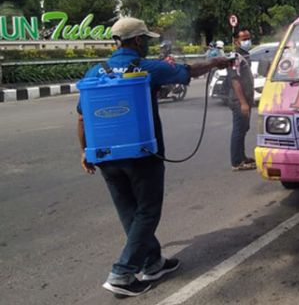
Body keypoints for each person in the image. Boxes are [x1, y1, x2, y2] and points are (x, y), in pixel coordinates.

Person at [76, 17, 230, 297]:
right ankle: (122, 273)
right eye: (146, 39)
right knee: (147, 211)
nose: (148, 43)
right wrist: (217, 63)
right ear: (136, 41)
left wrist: (85, 151)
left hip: (106, 156)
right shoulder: (147, 68)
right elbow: (188, 71)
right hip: (142, 154)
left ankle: (153, 261)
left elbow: (81, 116)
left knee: (129, 212)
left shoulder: (95, 72)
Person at [228, 28, 256, 171]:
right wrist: (243, 103)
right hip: (239, 101)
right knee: (239, 130)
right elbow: (235, 81)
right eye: (244, 39)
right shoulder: (235, 57)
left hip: (247, 99)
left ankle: (242, 156)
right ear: (236, 41)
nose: (247, 41)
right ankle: (236, 161)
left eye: (248, 38)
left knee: (244, 128)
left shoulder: (245, 55)